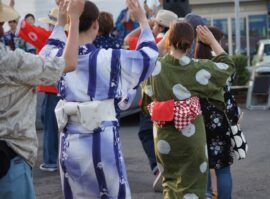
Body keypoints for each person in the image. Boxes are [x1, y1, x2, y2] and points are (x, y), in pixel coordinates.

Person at [48, 0, 158, 198]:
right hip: (101, 138)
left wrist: (62, 21)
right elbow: (148, 57)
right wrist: (143, 21)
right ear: (95, 25)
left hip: (69, 140)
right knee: (110, 191)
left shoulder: (55, 58)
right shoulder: (109, 58)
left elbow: (46, 51)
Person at [140, 22, 235, 198]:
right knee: (193, 186)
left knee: (169, 184)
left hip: (163, 137)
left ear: (169, 40)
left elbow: (146, 103)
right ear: (190, 44)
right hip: (191, 137)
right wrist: (213, 41)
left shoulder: (154, 67)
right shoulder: (196, 68)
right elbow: (227, 67)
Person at [0, 0, 83, 198]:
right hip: (10, 154)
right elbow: (69, 62)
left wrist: (61, 25)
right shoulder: (10, 61)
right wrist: (75, 19)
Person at [124, 9, 178, 193]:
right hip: (172, 97)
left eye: (156, 24)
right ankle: (175, 171)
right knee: (169, 135)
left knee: (147, 134)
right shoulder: (178, 44)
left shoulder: (149, 44)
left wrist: (144, 23)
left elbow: (127, 39)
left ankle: (158, 169)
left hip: (150, 99)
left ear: (159, 25)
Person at [194, 26, 240, 199]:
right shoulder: (221, 67)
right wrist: (213, 40)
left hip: (198, 122)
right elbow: (231, 66)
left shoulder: (194, 66)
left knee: (202, 167)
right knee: (223, 169)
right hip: (222, 122)